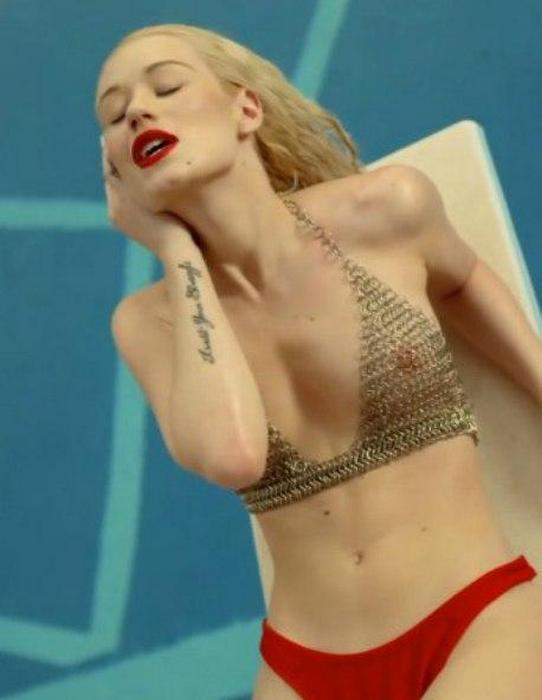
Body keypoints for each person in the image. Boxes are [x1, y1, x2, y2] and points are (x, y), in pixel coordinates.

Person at [95, 23, 542, 699]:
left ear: (246, 109)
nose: (137, 111)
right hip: (304, 664)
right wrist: (175, 250)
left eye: (166, 86)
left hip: (476, 617)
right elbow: (235, 456)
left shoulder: (384, 210)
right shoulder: (147, 325)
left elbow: (463, 279)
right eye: (113, 113)